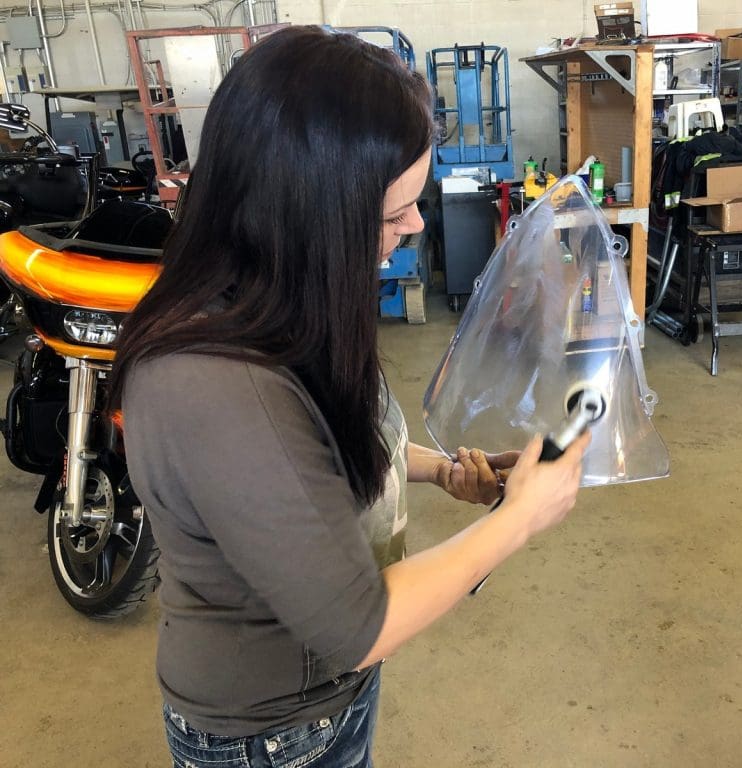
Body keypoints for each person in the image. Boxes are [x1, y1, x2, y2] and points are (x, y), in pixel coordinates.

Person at [108, 26, 589, 768]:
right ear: (305, 207)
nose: (417, 225)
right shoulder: (214, 385)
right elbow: (356, 624)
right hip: (269, 732)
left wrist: (435, 469)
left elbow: (321, 442)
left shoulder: (279, 297)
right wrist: (523, 516)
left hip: (323, 702)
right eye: (393, 213)